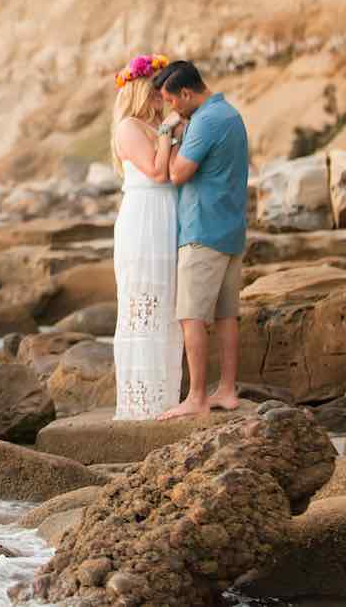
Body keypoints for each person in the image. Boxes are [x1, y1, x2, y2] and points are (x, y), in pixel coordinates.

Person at [151, 60, 250, 420]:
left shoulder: (205, 121)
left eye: (171, 100)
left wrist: (168, 135)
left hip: (202, 231)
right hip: (232, 230)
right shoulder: (231, 114)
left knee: (191, 316)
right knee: (226, 316)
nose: (171, 108)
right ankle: (226, 389)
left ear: (187, 93)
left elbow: (177, 174)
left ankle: (196, 397)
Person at [109, 54, 185, 420]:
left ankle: (166, 398)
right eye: (159, 87)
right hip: (144, 217)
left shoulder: (154, 127)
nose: (164, 94)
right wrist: (170, 130)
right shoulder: (129, 127)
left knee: (167, 305)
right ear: (143, 90)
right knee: (143, 304)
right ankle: (141, 406)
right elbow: (157, 173)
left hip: (167, 214)